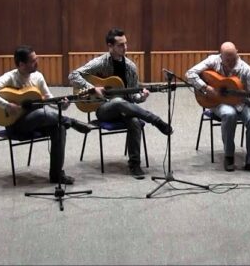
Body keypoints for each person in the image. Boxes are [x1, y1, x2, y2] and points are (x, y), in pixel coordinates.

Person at [68, 28, 172, 179]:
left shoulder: (130, 67)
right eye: (120, 45)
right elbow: (73, 75)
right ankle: (155, 120)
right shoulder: (101, 62)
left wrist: (141, 97)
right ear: (110, 46)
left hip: (126, 108)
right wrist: (92, 88)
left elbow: (132, 96)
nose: (125, 48)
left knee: (135, 121)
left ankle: (135, 165)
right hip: (103, 109)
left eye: (126, 44)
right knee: (117, 101)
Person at [0, 45, 92, 185]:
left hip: (38, 122)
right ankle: (72, 122)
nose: (37, 62)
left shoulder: (38, 77)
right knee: (41, 113)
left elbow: (48, 98)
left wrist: (62, 105)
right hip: (15, 125)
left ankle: (56, 175)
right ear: (21, 64)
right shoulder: (10, 78)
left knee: (59, 128)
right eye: (33, 60)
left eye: (36, 58)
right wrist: (6, 105)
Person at [186, 42, 250, 174]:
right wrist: (206, 87)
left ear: (237, 53)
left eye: (233, 58)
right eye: (227, 59)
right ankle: (229, 156)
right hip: (218, 101)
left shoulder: (246, 69)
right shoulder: (213, 61)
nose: (231, 62)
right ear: (221, 56)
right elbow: (190, 74)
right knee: (229, 114)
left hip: (242, 102)